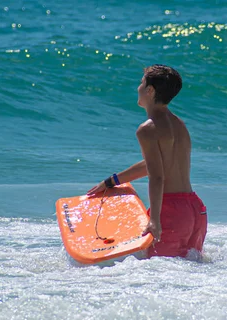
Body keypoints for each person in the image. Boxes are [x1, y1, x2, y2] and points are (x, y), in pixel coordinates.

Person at [87, 64, 207, 259]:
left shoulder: (147, 129)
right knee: (187, 274)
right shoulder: (179, 124)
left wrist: (154, 220)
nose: (138, 88)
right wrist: (111, 181)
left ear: (150, 91)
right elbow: (157, 165)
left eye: (141, 83)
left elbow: (157, 176)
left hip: (171, 211)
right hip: (195, 210)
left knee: (158, 277)